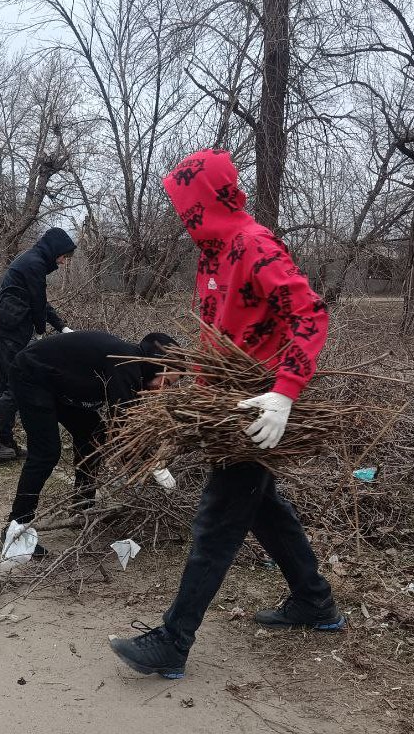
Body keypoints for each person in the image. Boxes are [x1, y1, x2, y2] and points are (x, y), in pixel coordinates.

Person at [108, 148, 341, 680]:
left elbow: (311, 314)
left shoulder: (252, 245)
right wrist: (198, 393)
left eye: (187, 204)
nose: (182, 215)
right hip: (227, 408)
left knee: (217, 520)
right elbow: (221, 333)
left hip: (258, 408)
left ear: (207, 199)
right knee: (262, 508)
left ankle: (173, 640)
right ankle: (314, 600)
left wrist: (284, 392)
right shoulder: (212, 254)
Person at [3, 330, 177, 556]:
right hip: (32, 375)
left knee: (93, 434)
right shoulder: (126, 362)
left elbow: (123, 424)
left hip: (56, 384)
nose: (162, 388)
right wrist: (154, 465)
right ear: (156, 364)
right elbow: (124, 425)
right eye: (165, 381)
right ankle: (15, 529)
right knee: (45, 453)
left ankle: (82, 507)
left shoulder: (131, 367)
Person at [0, 227, 77, 461]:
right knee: (16, 386)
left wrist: (61, 326)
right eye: (63, 256)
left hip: (0, 331)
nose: (63, 262)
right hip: (6, 333)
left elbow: (39, 301)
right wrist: (41, 332)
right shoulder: (34, 264)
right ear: (54, 251)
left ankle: (3, 442)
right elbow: (38, 302)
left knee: (5, 386)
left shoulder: (33, 261)